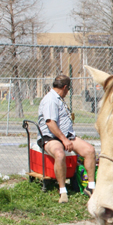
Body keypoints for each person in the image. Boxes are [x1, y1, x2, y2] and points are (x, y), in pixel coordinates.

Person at [38, 75, 96, 203]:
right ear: (65, 87)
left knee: (90, 151)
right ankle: (63, 191)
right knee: (59, 153)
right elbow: (50, 123)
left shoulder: (59, 99)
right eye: (68, 89)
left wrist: (66, 138)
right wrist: (64, 140)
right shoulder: (51, 100)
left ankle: (91, 187)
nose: (67, 92)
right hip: (51, 138)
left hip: (67, 136)